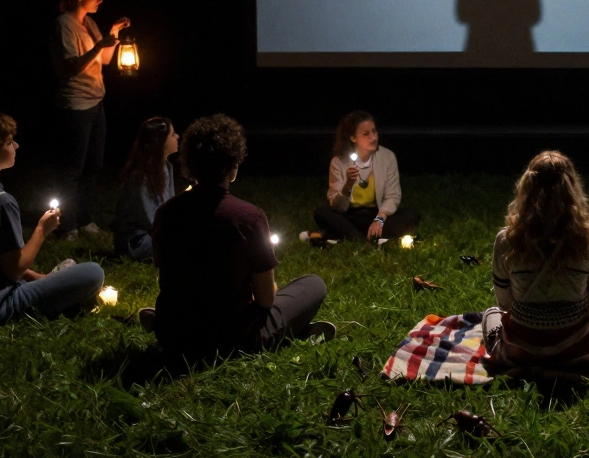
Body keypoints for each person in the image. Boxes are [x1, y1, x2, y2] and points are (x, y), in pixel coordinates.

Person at [146, 114, 332, 360]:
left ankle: (162, 321)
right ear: (233, 166)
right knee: (313, 284)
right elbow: (265, 300)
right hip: (232, 340)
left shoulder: (166, 212)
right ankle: (292, 331)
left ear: (189, 164)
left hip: (173, 336)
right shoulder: (248, 217)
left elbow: (168, 275)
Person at [0, 114, 105, 328]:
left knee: (69, 266)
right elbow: (14, 269)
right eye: (9, 142)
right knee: (93, 272)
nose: (16, 145)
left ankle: (56, 286)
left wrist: (40, 278)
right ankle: (62, 299)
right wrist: (42, 230)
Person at [483, 151, 589, 371]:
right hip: (578, 353)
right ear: (572, 190)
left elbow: (504, 304)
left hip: (521, 353)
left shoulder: (506, 240)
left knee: (491, 314)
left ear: (527, 187)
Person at [49, 0, 131, 239]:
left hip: (96, 101)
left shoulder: (90, 23)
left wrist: (113, 33)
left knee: (93, 165)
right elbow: (72, 67)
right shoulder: (64, 25)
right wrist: (98, 47)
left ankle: (84, 219)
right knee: (72, 169)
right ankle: (66, 224)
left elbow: (104, 60)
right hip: (75, 104)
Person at [311, 111, 421, 242]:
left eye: (374, 131)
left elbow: (393, 195)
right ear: (353, 138)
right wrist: (348, 185)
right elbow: (337, 206)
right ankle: (367, 237)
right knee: (321, 213)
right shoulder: (338, 162)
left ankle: (351, 237)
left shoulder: (387, 157)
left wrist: (379, 220)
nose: (373, 137)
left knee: (412, 213)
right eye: (366, 134)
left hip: (377, 214)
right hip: (349, 216)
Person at [110, 116, 178, 262]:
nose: (177, 137)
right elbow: (149, 219)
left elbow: (170, 206)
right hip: (137, 240)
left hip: (157, 232)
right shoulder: (141, 175)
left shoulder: (166, 167)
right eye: (173, 135)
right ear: (160, 141)